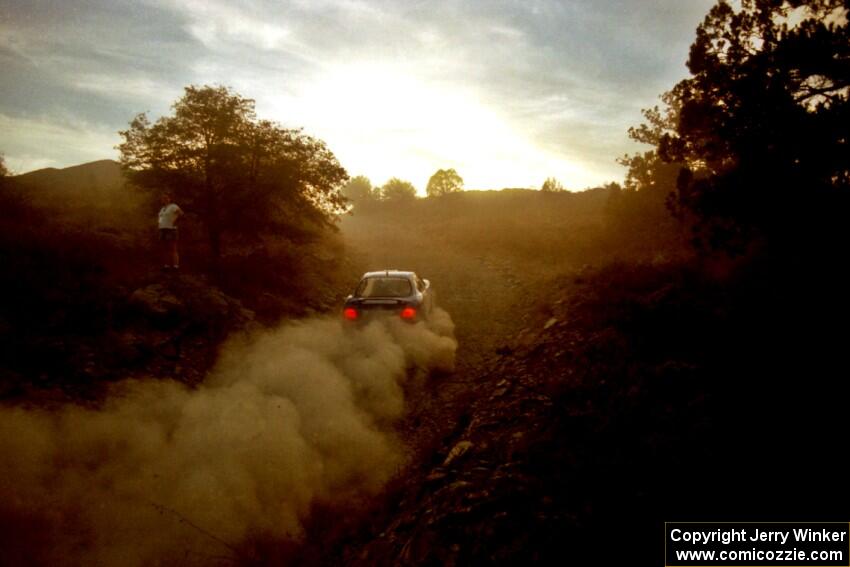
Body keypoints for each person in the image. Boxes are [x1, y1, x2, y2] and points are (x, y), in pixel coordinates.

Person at [158, 193, 183, 270]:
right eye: (163, 198)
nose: (165, 199)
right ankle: (167, 266)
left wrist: (175, 221)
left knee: (173, 248)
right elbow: (160, 219)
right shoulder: (162, 209)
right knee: (165, 248)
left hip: (171, 229)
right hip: (163, 229)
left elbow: (181, 213)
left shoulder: (173, 206)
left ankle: (175, 266)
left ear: (169, 199)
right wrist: (159, 225)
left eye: (166, 198)